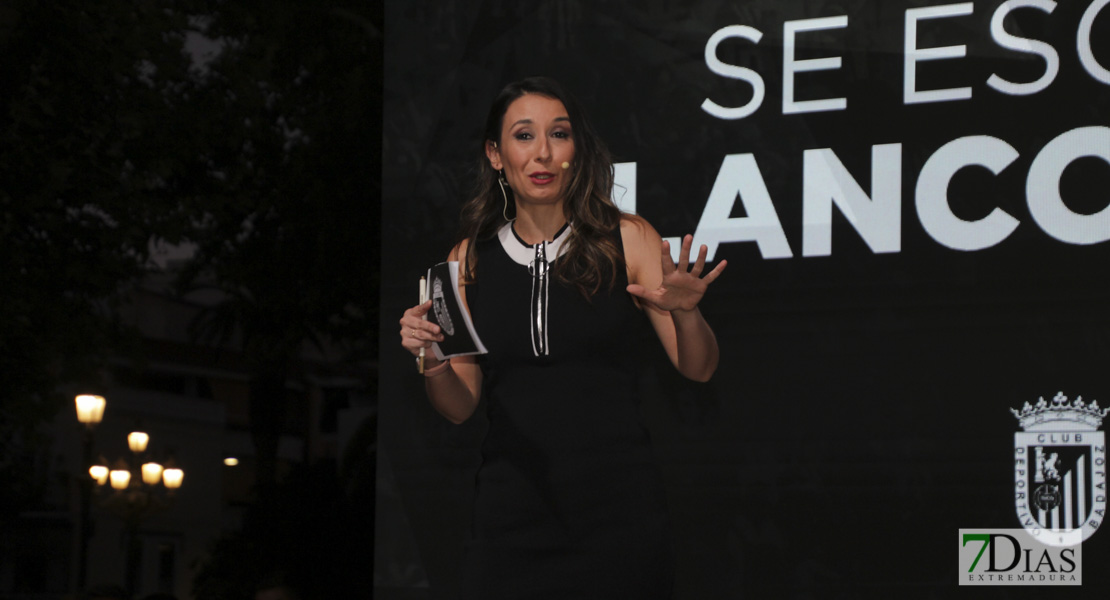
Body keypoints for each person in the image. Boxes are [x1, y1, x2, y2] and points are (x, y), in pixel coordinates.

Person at [399, 76, 726, 598]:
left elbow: (699, 368)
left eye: (560, 134)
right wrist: (434, 358)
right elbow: (459, 407)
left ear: (577, 149)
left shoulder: (628, 236)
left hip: (621, 516)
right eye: (524, 136)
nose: (543, 153)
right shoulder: (466, 260)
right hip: (509, 522)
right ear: (496, 154)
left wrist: (687, 314)